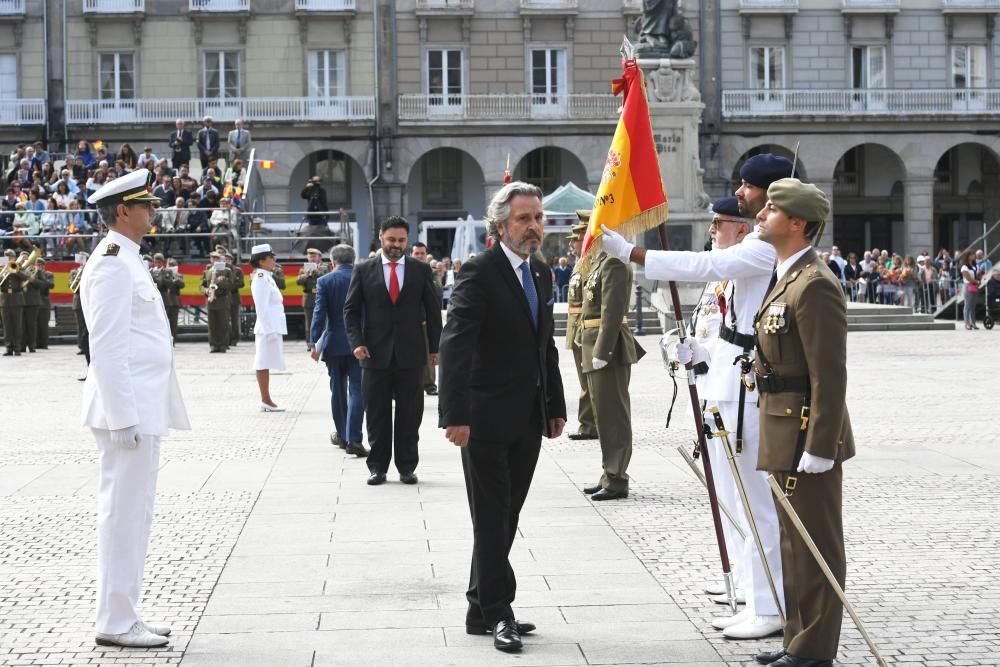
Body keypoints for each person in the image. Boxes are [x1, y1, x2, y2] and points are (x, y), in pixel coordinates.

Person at [601, 192, 787, 640]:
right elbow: (723, 324)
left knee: (754, 504)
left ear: (743, 227)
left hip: (744, 390)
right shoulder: (737, 257)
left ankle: (767, 602)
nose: (713, 229)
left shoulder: (756, 251)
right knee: (731, 496)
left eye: (721, 221)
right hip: (720, 383)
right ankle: (748, 585)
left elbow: (701, 268)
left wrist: (632, 252)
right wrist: (699, 353)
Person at [439, 181, 566, 653]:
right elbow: (456, 345)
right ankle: (498, 611)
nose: (534, 227)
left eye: (538, 218)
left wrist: (553, 405)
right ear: (500, 226)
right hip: (484, 416)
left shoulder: (541, 273)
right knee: (492, 516)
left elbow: (544, 346)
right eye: (523, 219)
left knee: (506, 514)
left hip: (527, 417)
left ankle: (479, 605)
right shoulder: (479, 271)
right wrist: (454, 414)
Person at [81, 168, 190, 648]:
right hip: (126, 413)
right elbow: (105, 349)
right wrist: (123, 415)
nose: (153, 210)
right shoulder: (110, 262)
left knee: (135, 513)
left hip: (142, 408)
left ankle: (125, 611)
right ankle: (115, 621)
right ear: (123, 210)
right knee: (123, 515)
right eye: (145, 204)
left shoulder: (128, 258)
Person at [752, 178, 855, 667]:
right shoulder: (787, 275)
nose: (760, 214)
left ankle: (814, 651)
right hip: (781, 427)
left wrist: (822, 444)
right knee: (794, 543)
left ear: (797, 224)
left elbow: (829, 373)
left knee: (815, 545)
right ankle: (798, 641)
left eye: (772, 209)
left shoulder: (814, 284)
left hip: (804, 432)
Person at [344, 216, 442, 486]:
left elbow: (434, 313)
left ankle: (407, 466)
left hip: (411, 355)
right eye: (391, 240)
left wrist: (435, 348)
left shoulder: (420, 271)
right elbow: (350, 311)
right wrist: (357, 342)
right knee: (376, 414)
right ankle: (377, 467)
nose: (396, 245)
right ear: (381, 237)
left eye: (401, 241)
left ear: (407, 241)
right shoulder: (364, 269)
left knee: (410, 415)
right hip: (373, 355)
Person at [577, 213, 645, 502]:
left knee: (613, 416)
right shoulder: (599, 263)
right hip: (593, 345)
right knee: (603, 415)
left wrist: (602, 351)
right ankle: (609, 473)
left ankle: (617, 478)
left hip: (610, 349)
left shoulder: (614, 263)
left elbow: (612, 311)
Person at [310, 244, 368, 458]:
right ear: (354, 260)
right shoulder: (362, 276)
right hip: (359, 343)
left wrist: (314, 342)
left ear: (332, 262)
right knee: (357, 390)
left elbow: (319, 313)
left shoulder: (325, 281)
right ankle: (354, 438)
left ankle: (342, 435)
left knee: (337, 389)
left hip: (333, 343)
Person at [564, 218, 599, 441]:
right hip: (577, 328)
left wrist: (579, 332)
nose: (572, 245)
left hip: (584, 329)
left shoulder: (589, 263)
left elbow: (590, 301)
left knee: (588, 382)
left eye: (575, 239)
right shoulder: (581, 262)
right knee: (584, 381)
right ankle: (589, 423)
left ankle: (589, 425)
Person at [250, 243, 287, 411]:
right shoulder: (259, 278)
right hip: (267, 329)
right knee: (262, 362)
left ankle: (267, 399)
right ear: (261, 261)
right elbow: (261, 307)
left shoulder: (266, 276)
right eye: (271, 257)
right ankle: (265, 400)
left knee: (266, 362)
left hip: (272, 326)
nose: (274, 259)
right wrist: (269, 329)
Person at [411, 241, 443, 396]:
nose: (419, 256)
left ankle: (430, 384)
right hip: (408, 318)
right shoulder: (405, 270)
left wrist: (425, 277)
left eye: (422, 253)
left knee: (429, 351)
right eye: (416, 253)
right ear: (411, 254)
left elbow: (438, 289)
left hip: (426, 319)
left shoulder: (432, 271)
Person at [295, 247, 328, 349]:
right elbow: (298, 281)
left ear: (319, 257)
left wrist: (315, 272)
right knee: (309, 323)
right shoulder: (303, 269)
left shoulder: (324, 267)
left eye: (314, 256)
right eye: (310, 257)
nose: (312, 259)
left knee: (323, 321)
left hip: (321, 297)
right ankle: (310, 343)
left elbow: (326, 276)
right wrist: (307, 274)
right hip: (309, 298)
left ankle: (323, 342)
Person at [201, 251, 233, 352]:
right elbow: (201, 285)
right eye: (213, 258)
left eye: (216, 258)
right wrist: (206, 290)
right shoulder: (207, 271)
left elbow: (231, 285)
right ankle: (213, 345)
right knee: (212, 324)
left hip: (222, 299)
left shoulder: (227, 270)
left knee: (223, 324)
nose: (214, 260)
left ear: (220, 259)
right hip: (211, 300)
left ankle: (223, 345)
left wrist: (221, 282)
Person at [0, 248, 28, 356]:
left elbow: (26, 277)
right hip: (4, 299)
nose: (9, 259)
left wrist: (15, 271)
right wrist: (4, 272)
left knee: (17, 325)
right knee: (7, 326)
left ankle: (17, 348)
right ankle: (8, 348)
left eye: (10, 257)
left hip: (17, 299)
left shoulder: (19, 267)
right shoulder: (1, 269)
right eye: (7, 257)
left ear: (14, 258)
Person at [153, 254, 185, 342]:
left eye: (172, 265)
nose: (170, 267)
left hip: (174, 301)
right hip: (164, 300)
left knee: (173, 323)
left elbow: (182, 285)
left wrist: (174, 278)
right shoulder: (159, 272)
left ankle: (172, 339)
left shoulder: (176, 275)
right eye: (169, 265)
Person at [29, 257, 54, 350]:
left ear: (44, 265)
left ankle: (44, 344)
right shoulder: (31, 274)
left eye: (41, 265)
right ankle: (35, 343)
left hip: (44, 300)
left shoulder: (49, 274)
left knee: (43, 324)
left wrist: (40, 276)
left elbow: (50, 285)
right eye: (38, 265)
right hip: (34, 300)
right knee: (34, 324)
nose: (39, 266)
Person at [225, 250, 244, 347]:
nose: (227, 261)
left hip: (234, 296)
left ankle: (235, 338)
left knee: (234, 319)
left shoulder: (238, 270)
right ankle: (226, 338)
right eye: (225, 259)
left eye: (229, 259)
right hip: (224, 297)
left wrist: (229, 285)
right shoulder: (221, 270)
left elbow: (241, 283)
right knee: (225, 319)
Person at [959, 250, 980, 330]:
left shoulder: (975, 266)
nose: (974, 256)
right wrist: (977, 281)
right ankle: (967, 323)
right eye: (972, 255)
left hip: (975, 286)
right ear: (967, 256)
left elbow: (976, 275)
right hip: (968, 286)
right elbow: (968, 278)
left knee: (973, 306)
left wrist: (979, 276)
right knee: (967, 305)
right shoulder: (964, 267)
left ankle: (973, 322)